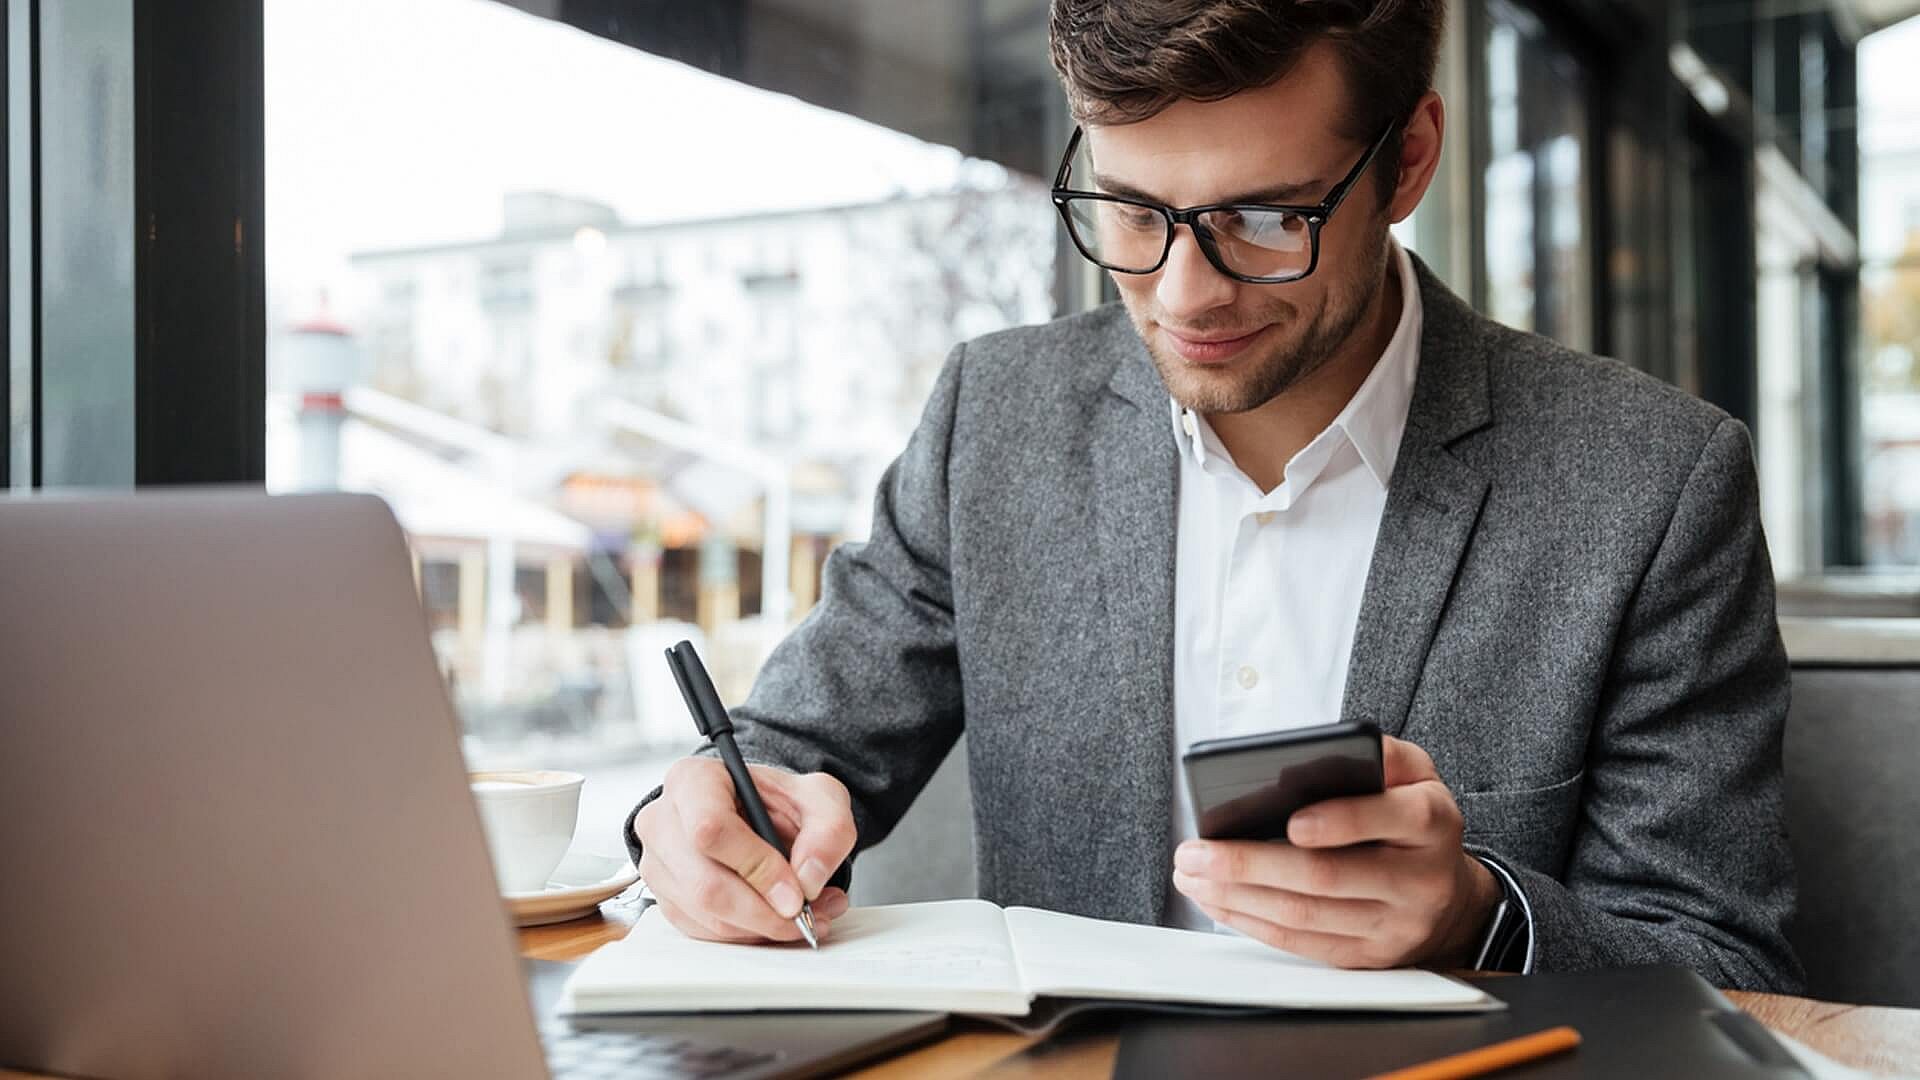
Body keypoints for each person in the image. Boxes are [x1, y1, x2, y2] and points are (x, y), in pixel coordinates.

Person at [625, 0, 1802, 990]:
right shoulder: (997, 417)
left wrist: (1475, 917)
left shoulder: (1650, 483)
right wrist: (704, 827)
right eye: (1133, 212)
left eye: (1262, 217)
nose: (1186, 293)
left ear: (1409, 159)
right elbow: (786, 753)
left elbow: (1725, 967)